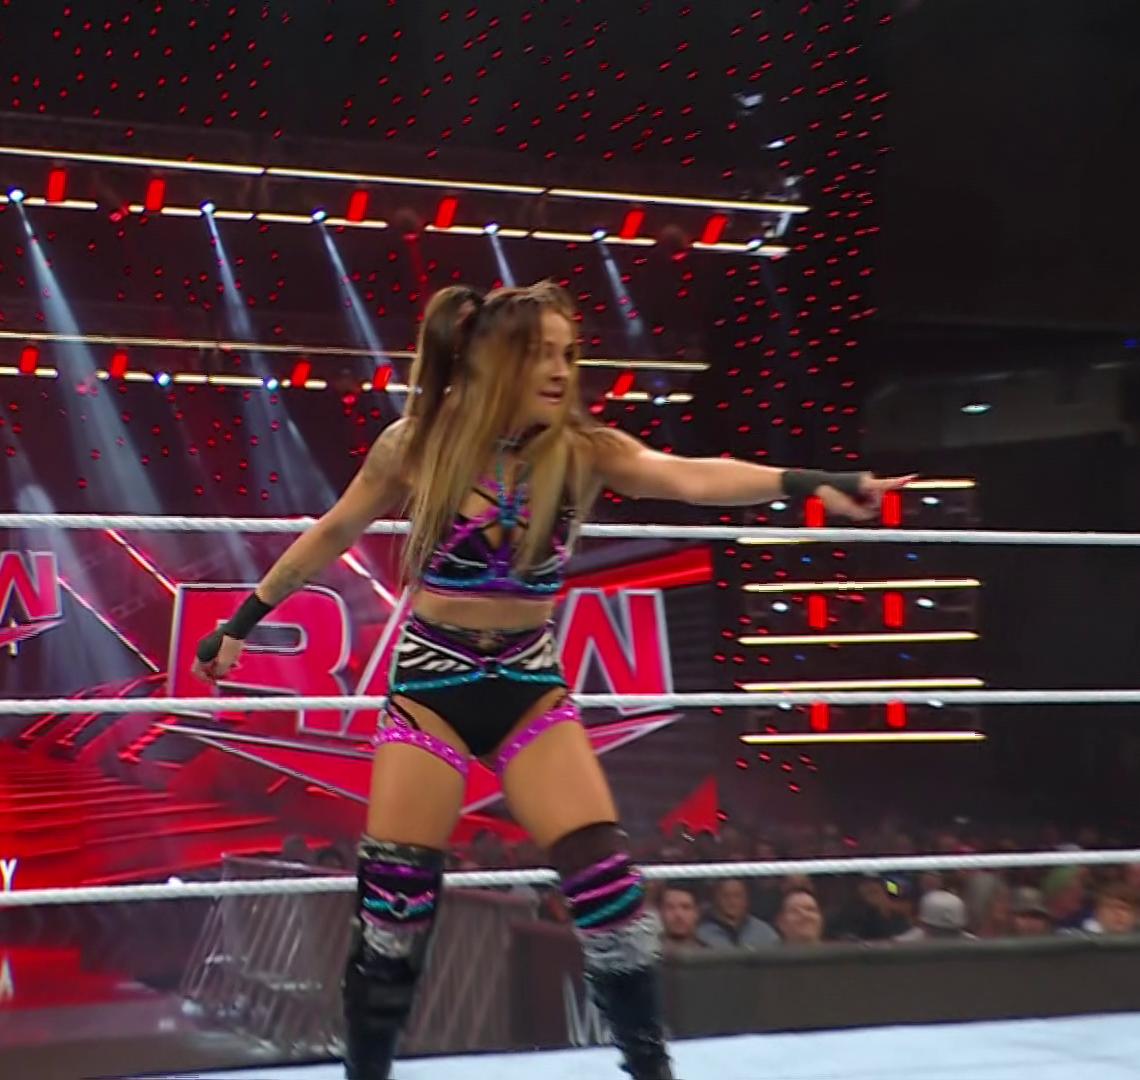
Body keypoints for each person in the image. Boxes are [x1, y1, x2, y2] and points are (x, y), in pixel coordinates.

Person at [193, 280, 911, 1080]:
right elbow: (332, 532)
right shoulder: (419, 444)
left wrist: (804, 482)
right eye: (542, 353)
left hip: (527, 682)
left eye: (570, 353)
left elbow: (691, 476)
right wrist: (242, 622)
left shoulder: (582, 450)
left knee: (608, 890)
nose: (562, 370)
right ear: (496, 359)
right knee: (394, 907)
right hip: (433, 686)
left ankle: (650, 1070)